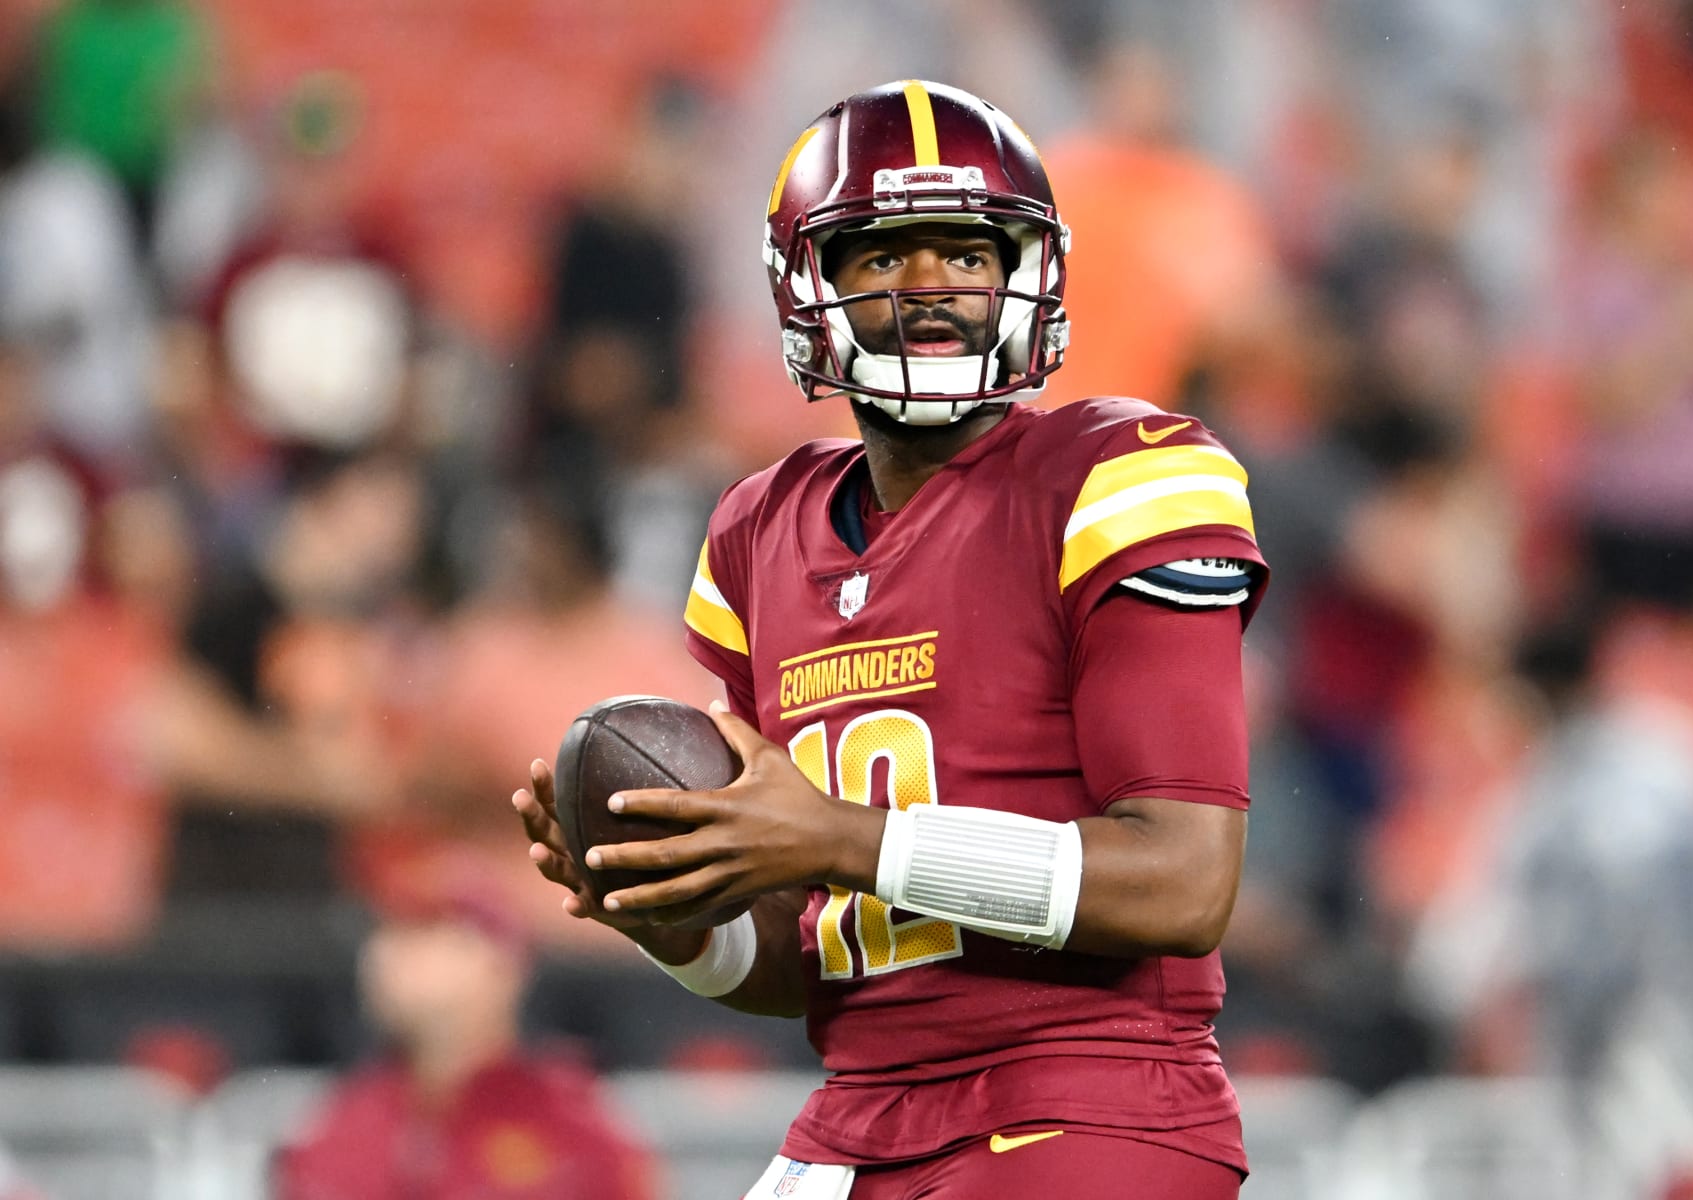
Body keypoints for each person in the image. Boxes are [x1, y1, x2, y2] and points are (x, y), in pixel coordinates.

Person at [513, 80, 1267, 1199]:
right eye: (880, 258)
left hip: (1086, 1096)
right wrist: (678, 908)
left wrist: (838, 838)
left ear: (1027, 277)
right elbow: (808, 956)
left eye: (965, 255)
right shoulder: (755, 534)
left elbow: (1182, 885)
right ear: (808, 287)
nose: (930, 291)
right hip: (860, 1113)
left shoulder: (1119, 477)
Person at [276, 871, 658, 1200]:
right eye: (391, 931)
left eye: (434, 932)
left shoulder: (575, 1127)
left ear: (505, 965)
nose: (396, 955)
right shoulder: (337, 1126)